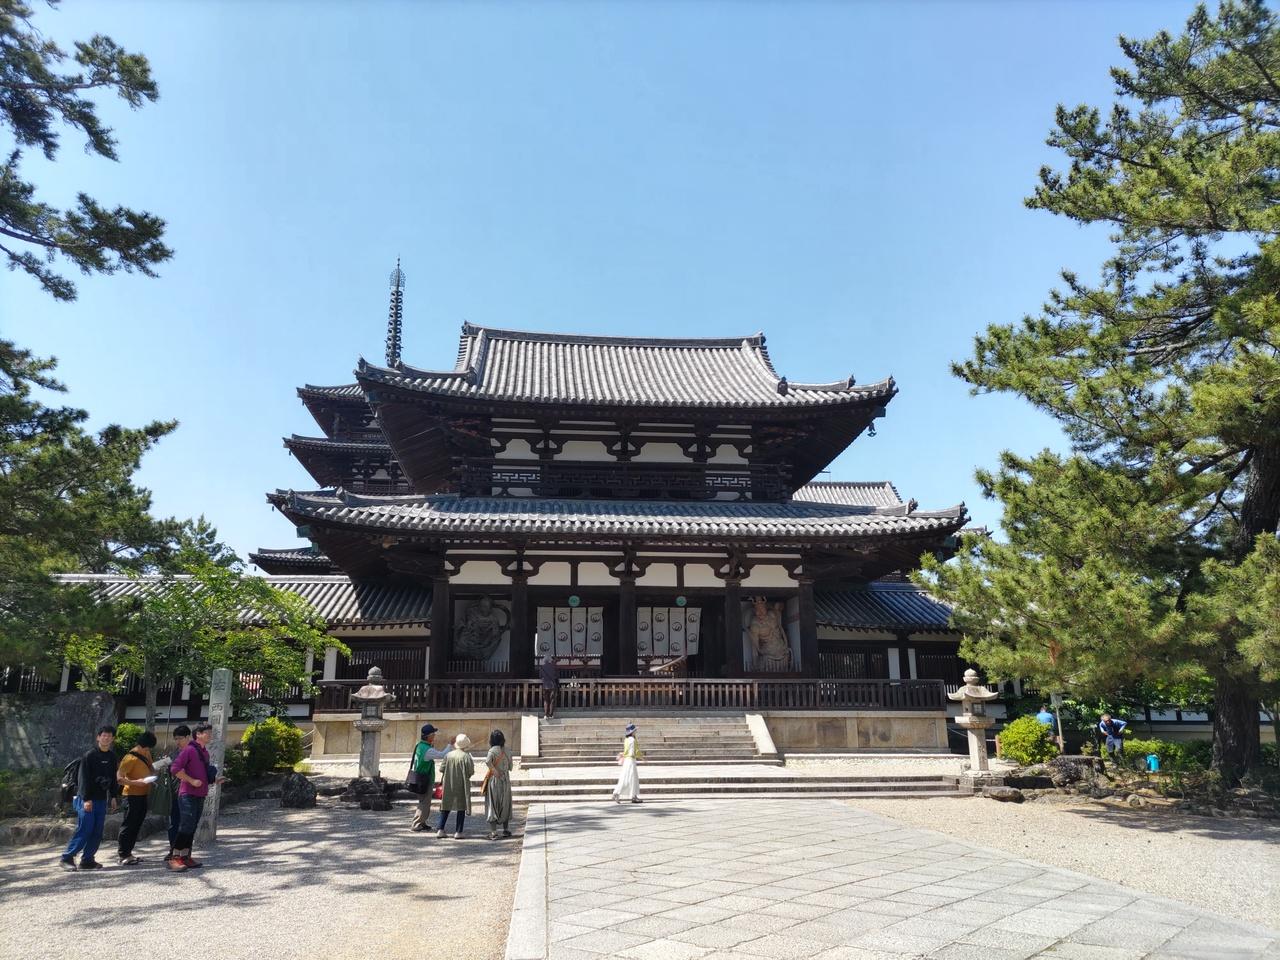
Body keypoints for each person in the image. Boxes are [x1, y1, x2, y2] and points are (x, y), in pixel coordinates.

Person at [59, 725, 119, 870]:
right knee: (85, 829)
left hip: (101, 799)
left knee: (97, 831)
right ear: (98, 737)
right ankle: (67, 858)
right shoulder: (89, 756)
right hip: (86, 799)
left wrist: (113, 796)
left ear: (113, 739)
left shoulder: (112, 757)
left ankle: (87, 860)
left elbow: (113, 778)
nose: (106, 738)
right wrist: (86, 799)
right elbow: (83, 779)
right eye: (104, 735)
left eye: (109, 736)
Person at [169, 721, 218, 871]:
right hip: (187, 794)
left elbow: (202, 773)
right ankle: (174, 858)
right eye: (207, 733)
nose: (210, 735)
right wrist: (191, 781)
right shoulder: (189, 750)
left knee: (192, 826)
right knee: (186, 825)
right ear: (198, 734)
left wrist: (215, 779)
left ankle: (185, 856)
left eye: (210, 732)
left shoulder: (205, 752)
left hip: (200, 794)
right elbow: (175, 769)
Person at [116, 730, 158, 865]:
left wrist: (159, 766)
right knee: (129, 825)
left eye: (148, 749)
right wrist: (136, 782)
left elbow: (151, 768)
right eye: (145, 748)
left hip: (143, 794)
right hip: (131, 795)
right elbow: (119, 779)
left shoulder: (146, 753)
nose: (147, 751)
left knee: (137, 824)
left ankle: (129, 853)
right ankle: (123, 854)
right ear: (140, 745)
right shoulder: (129, 758)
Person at [155, 724, 192, 864]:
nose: (177, 741)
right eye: (176, 739)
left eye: (180, 738)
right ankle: (173, 850)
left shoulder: (194, 752)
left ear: (188, 737)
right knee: (174, 823)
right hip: (175, 793)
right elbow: (157, 766)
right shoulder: (174, 753)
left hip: (189, 792)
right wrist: (160, 763)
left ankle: (185, 852)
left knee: (187, 823)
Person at [408, 724, 450, 832]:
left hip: (419, 778)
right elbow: (442, 755)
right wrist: (450, 745)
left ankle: (422, 822)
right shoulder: (428, 750)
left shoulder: (420, 746)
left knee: (423, 801)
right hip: (425, 779)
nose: (434, 736)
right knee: (424, 803)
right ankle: (416, 823)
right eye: (433, 734)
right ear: (429, 736)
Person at [437, 733, 474, 839]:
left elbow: (441, 769)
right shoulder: (466, 757)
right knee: (461, 808)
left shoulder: (448, 755)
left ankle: (440, 829)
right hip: (461, 785)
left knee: (445, 806)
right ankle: (458, 832)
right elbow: (470, 772)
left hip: (448, 784)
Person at [484, 729, 513, 840]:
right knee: (505, 803)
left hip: (494, 780)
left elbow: (487, 761)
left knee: (493, 803)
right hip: (505, 780)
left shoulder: (491, 751)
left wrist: (494, 770)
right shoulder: (508, 751)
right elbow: (511, 767)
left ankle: (494, 832)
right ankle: (506, 829)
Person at [611, 723, 642, 804]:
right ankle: (620, 794)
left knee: (626, 777)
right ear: (632, 732)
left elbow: (626, 751)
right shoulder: (632, 740)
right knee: (631, 778)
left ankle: (632, 795)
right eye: (635, 730)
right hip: (631, 760)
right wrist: (641, 757)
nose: (636, 732)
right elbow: (634, 751)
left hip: (627, 760)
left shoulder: (626, 740)